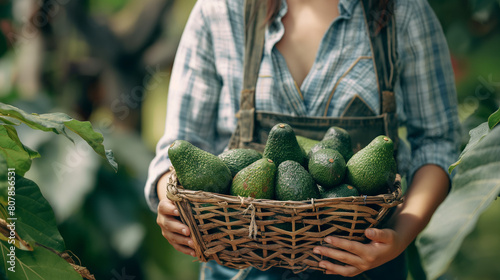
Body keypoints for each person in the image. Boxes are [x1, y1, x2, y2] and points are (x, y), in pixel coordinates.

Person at [145, 0, 460, 279]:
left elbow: (438, 144)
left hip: (365, 264)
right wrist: (171, 205)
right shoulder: (220, 10)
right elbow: (179, 144)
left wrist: (400, 233)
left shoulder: (402, 11)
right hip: (240, 269)